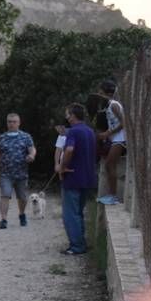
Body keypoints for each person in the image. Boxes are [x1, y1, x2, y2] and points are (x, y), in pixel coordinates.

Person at [59, 103, 97, 255]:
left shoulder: (73, 132)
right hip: (88, 177)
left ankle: (76, 246)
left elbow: (69, 150)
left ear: (73, 116)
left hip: (73, 176)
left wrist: (63, 166)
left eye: (67, 114)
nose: (66, 117)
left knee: (70, 213)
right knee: (79, 212)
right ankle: (81, 242)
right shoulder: (89, 131)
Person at [0, 113, 36, 229]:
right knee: (5, 195)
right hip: (6, 173)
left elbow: (32, 149)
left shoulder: (25, 137)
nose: (11, 124)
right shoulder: (2, 138)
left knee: (22, 197)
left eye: (14, 121)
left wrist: (31, 155)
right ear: (7, 123)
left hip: (21, 173)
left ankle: (22, 214)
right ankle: (4, 219)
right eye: (9, 122)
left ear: (19, 123)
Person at [96, 79, 127, 205]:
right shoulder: (108, 106)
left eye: (100, 91)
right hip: (115, 138)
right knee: (109, 165)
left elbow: (124, 123)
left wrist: (108, 133)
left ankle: (113, 196)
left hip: (121, 139)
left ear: (106, 93)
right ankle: (111, 195)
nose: (98, 94)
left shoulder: (113, 105)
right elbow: (114, 124)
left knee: (109, 164)